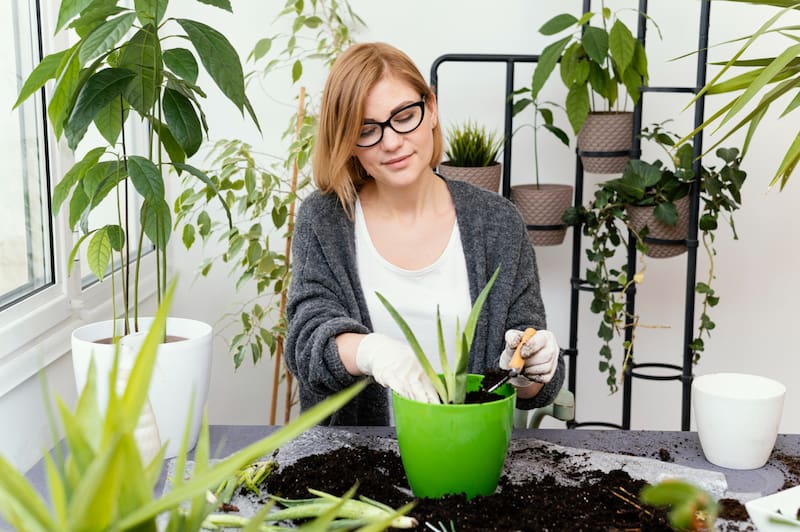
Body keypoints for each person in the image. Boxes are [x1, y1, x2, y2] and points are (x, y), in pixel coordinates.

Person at [285, 41, 565, 425]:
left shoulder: (498, 222)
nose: (392, 141)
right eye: (367, 129)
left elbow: (530, 380)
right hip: (354, 468)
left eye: (404, 116)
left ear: (430, 109)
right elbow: (305, 344)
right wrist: (370, 351)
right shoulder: (326, 219)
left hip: (470, 456)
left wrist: (535, 367)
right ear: (349, 143)